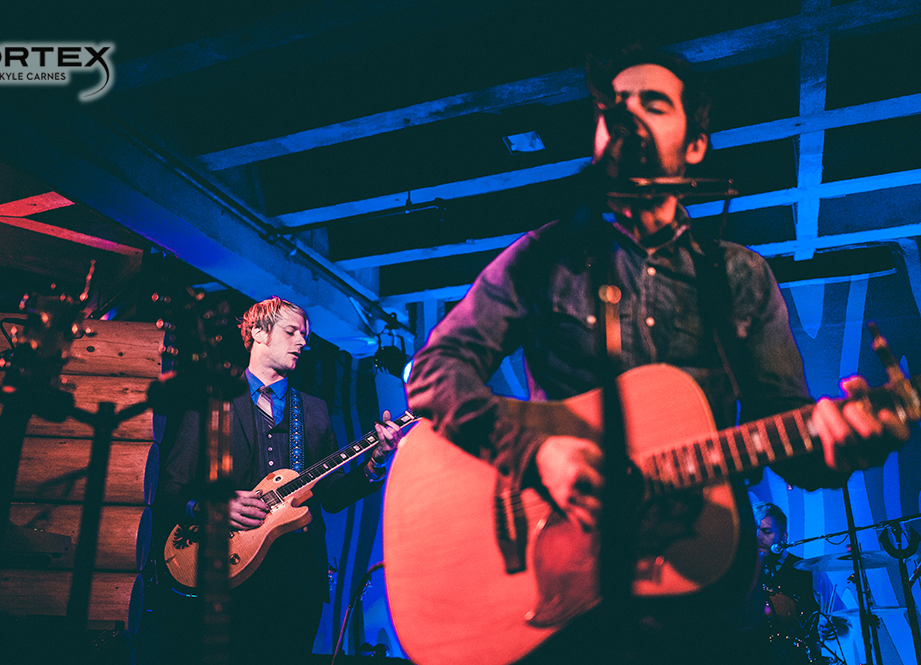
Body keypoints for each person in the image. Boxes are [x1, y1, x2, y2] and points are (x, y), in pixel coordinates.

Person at [405, 45, 909, 664]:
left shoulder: (741, 277)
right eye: (611, 108)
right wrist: (541, 454)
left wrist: (835, 442)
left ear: (694, 144)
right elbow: (434, 372)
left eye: (653, 104)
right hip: (571, 606)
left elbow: (788, 428)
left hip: (708, 600)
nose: (627, 119)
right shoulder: (542, 259)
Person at [157, 296, 403, 664]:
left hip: (297, 580)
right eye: (291, 332)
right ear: (258, 332)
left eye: (305, 335)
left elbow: (331, 497)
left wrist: (375, 463)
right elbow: (172, 487)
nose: (303, 342)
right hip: (227, 575)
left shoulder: (315, 409)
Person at [754, 502, 824, 664]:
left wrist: (827, 627)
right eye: (755, 531)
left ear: (783, 537)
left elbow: (841, 619)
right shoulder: (745, 573)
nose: (758, 537)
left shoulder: (809, 570)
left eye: (766, 532)